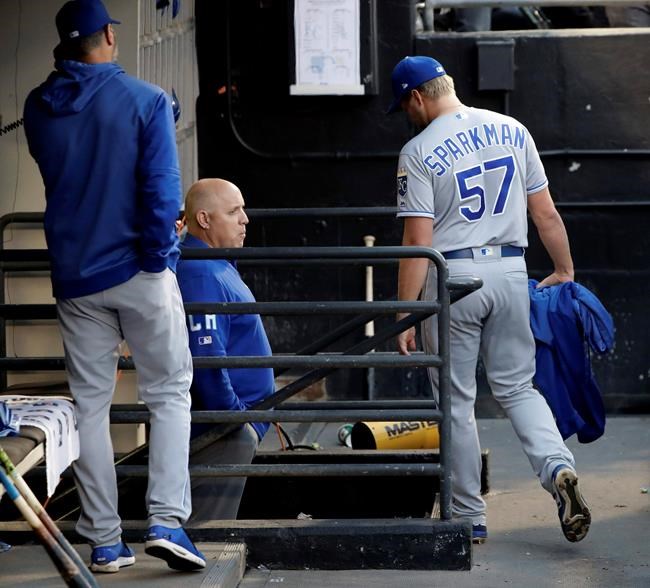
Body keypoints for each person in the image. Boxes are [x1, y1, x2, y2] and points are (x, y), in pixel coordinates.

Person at [23, 0, 205, 573]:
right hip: (138, 270)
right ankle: (167, 522)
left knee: (91, 408)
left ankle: (105, 541)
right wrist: (158, 258)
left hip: (76, 276)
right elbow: (160, 192)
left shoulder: (37, 105)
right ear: (107, 33)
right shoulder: (146, 100)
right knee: (170, 393)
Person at [388, 56, 591, 544]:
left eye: (405, 105)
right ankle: (558, 467)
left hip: (453, 274)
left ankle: (469, 515)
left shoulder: (417, 150)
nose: (406, 114)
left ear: (418, 97)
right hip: (510, 269)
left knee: (455, 400)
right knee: (519, 387)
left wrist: (405, 313)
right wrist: (564, 269)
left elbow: (418, 240)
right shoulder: (513, 129)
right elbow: (545, 215)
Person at [176, 179, 275, 521]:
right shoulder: (202, 273)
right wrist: (235, 419)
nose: (245, 219)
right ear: (204, 220)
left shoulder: (217, 264)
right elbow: (206, 356)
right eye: (233, 212)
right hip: (223, 432)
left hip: (232, 427)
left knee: (212, 528)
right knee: (207, 531)